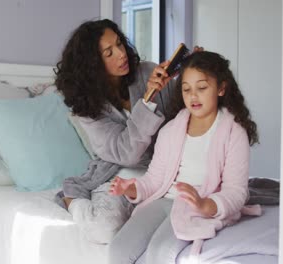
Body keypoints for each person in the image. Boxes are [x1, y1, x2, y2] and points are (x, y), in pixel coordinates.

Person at [108, 51, 260, 263]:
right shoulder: (171, 130)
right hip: (163, 201)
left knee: (160, 252)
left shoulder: (234, 132)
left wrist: (205, 204)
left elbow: (235, 191)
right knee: (118, 250)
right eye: (186, 89)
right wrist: (131, 188)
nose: (193, 96)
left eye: (202, 88)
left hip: (196, 205)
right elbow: (154, 180)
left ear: (221, 88)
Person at [53, 18, 175, 244]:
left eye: (119, 44)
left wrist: (193, 72)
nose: (121, 54)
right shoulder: (86, 108)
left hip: (163, 167)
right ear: (92, 64)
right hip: (120, 171)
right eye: (109, 53)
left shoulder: (147, 72)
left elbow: (183, 114)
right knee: (104, 229)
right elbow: (126, 154)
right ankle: (72, 200)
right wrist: (147, 101)